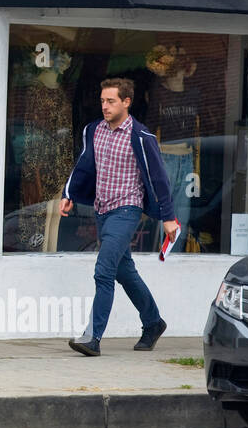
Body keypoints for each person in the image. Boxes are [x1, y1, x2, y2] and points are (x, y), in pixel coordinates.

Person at [59, 77, 177, 356]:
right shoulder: (94, 131)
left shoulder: (141, 136)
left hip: (127, 209)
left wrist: (169, 217)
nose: (105, 106)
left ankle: (92, 337)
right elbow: (84, 166)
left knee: (104, 271)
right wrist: (69, 194)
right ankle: (153, 322)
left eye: (111, 101)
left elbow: (159, 179)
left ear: (126, 102)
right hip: (102, 210)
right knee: (125, 271)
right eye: (102, 101)